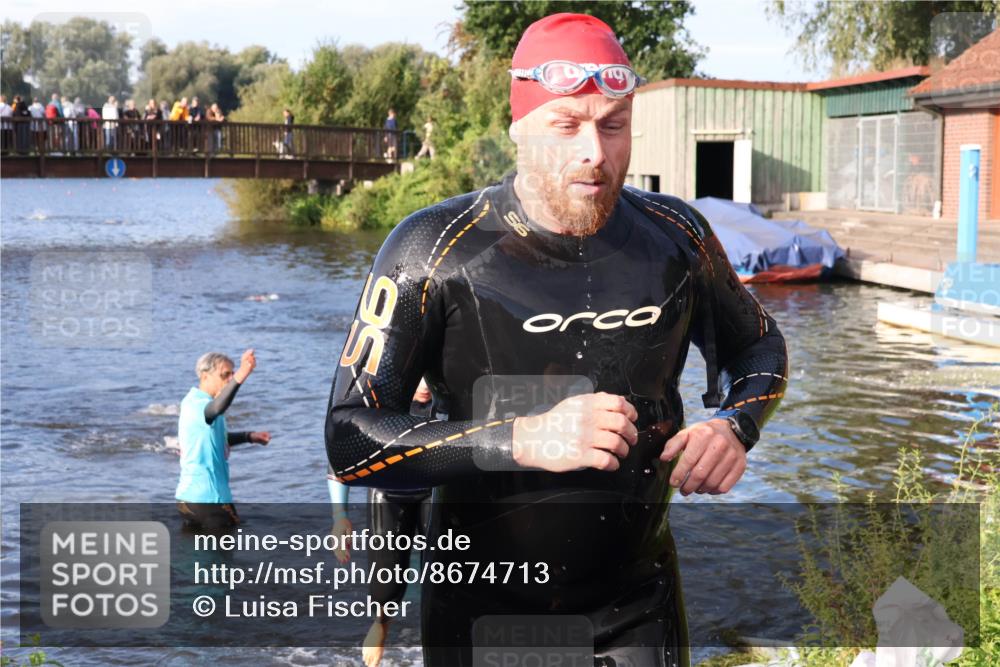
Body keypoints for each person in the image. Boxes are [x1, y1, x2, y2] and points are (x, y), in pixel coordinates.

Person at [325, 13, 788, 667]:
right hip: (487, 615)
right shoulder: (433, 249)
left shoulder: (677, 236)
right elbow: (350, 438)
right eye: (566, 124)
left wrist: (735, 426)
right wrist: (519, 438)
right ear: (519, 128)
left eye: (613, 124)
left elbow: (760, 346)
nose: (594, 150)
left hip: (638, 605)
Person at [176, 349, 271, 531]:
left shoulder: (190, 402)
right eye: (225, 374)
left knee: (193, 558)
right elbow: (217, 408)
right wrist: (244, 372)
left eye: (232, 374)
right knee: (224, 557)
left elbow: (215, 439)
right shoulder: (202, 405)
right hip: (211, 501)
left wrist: (248, 436)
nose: (229, 379)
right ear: (205, 376)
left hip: (186, 501)